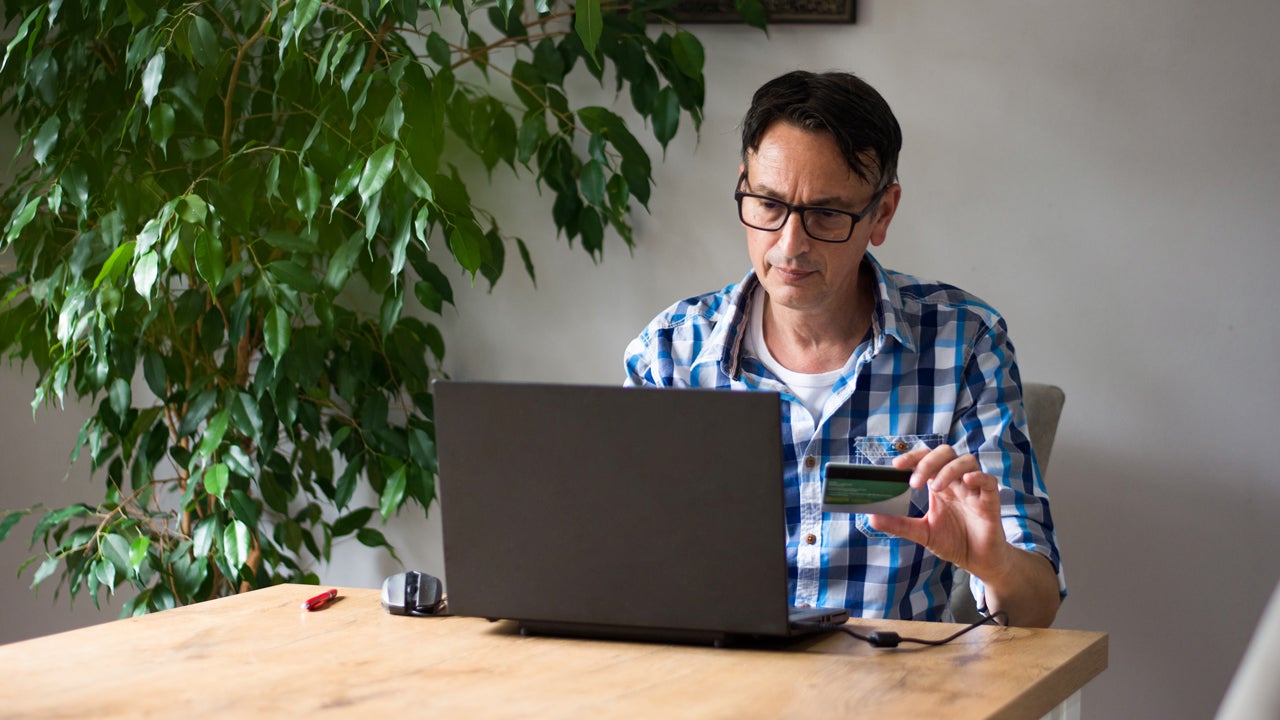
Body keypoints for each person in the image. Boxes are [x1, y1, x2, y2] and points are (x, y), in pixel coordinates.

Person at [623, 70, 1064, 627]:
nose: (789, 244)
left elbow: (1036, 609)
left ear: (881, 214)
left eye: (826, 214)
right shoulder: (671, 353)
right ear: (744, 185)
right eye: (767, 204)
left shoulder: (964, 343)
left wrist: (995, 565)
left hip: (889, 691)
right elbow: (622, 561)